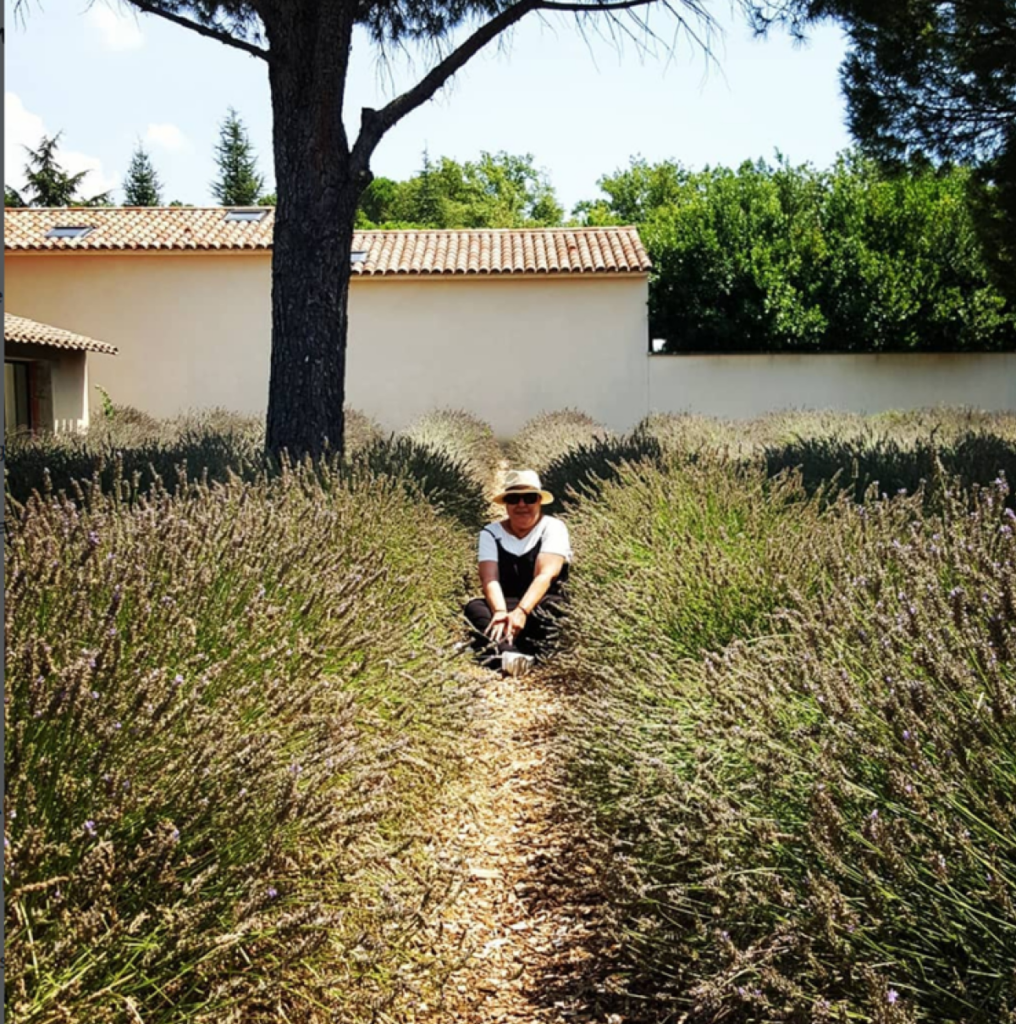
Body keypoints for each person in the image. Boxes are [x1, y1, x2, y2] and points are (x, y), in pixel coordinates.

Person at [464, 468, 572, 677]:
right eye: (514, 499)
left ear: (539, 502)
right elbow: (489, 578)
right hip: (505, 604)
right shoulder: (490, 533)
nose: (522, 505)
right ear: (506, 504)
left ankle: (497, 653)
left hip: (540, 605)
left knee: (557, 609)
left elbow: (545, 574)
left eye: (529, 498)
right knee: (474, 608)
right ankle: (513, 655)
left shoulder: (553, 528)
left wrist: (522, 612)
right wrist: (500, 613)